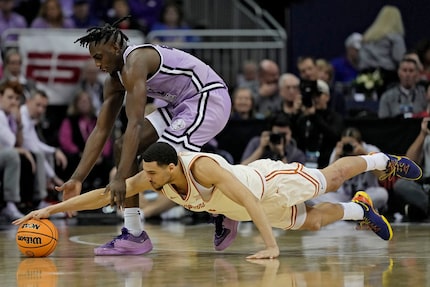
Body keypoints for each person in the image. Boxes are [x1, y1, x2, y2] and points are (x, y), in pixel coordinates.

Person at [14, 142, 423, 259]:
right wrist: (49, 210)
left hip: (266, 185)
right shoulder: (154, 175)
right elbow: (105, 195)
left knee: (330, 177)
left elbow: (247, 197)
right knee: (314, 222)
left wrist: (271, 246)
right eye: (147, 174)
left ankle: (382, 159)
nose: (148, 181)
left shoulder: (202, 168)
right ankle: (360, 209)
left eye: (153, 174)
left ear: (173, 167)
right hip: (246, 207)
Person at [55, 16, 234, 256]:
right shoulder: (114, 80)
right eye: (93, 59)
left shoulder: (136, 61)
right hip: (180, 105)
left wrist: (120, 177)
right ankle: (134, 233)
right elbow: (101, 130)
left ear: (115, 48)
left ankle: (223, 208)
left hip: (207, 97)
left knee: (162, 164)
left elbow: (135, 124)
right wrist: (78, 178)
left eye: (99, 57)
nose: (96, 64)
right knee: (122, 147)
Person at [307, 127, 389, 211]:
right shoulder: (339, 151)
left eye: (350, 144)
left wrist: (365, 155)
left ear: (360, 143)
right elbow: (329, 180)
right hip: (344, 197)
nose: (347, 147)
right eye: (345, 144)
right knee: (311, 196)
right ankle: (351, 210)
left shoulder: (371, 151)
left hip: (366, 194)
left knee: (382, 194)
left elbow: (382, 176)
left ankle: (347, 211)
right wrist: (336, 157)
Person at [358, 5, 406, 96]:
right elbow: (399, 57)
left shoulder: (367, 36)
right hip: (388, 78)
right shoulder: (395, 37)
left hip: (365, 77)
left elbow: (362, 59)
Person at [392, 117, 430, 222]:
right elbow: (409, 162)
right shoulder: (426, 137)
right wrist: (422, 134)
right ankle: (427, 207)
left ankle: (422, 211)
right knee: (401, 184)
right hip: (426, 186)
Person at [241, 112, 306, 165]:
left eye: (284, 134)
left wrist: (282, 154)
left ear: (291, 133)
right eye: (278, 134)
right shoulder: (256, 142)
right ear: (270, 132)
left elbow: (294, 178)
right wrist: (261, 148)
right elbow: (242, 168)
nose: (281, 138)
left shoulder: (297, 154)